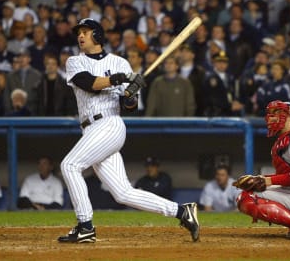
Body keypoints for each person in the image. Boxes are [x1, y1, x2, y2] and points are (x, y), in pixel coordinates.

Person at [58, 18, 199, 243]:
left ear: (97, 36)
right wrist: (119, 80)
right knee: (122, 193)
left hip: (109, 125)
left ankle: (85, 226)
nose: (80, 36)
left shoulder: (120, 62)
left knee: (70, 165)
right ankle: (183, 212)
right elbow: (88, 83)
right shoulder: (75, 61)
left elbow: (129, 107)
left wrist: (130, 95)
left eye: (86, 31)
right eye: (79, 32)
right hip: (91, 129)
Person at [234, 100, 290, 239]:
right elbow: (288, 177)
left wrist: (267, 181)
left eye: (280, 114)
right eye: (272, 114)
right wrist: (259, 179)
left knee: (247, 197)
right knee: (250, 191)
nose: (273, 118)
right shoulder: (286, 140)